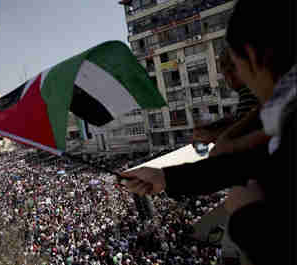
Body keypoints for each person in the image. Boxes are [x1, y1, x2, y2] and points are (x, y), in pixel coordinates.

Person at [121, 1, 295, 264]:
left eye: (234, 67)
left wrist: (246, 215)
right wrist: (164, 177)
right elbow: (246, 161)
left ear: (251, 56)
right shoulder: (280, 115)